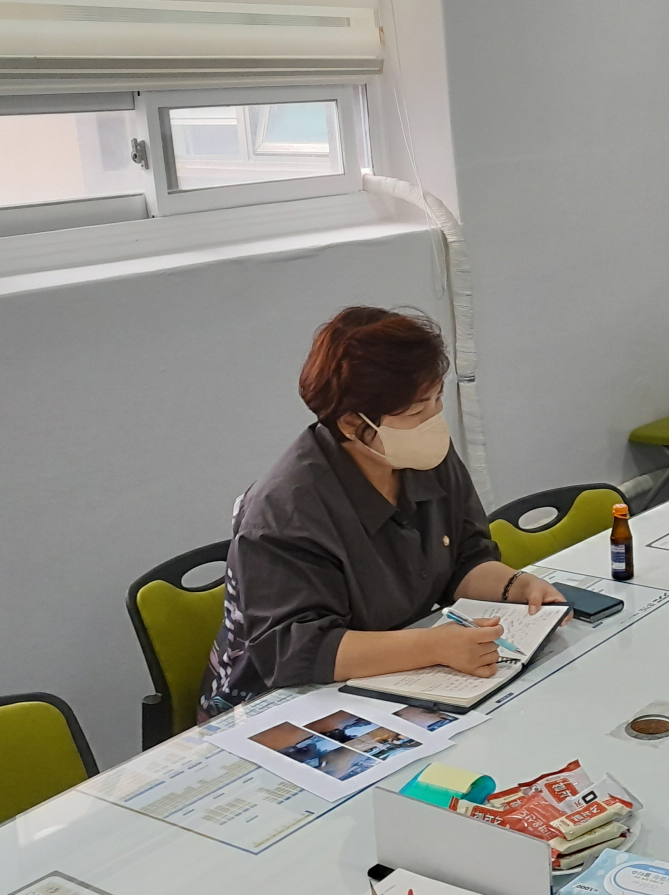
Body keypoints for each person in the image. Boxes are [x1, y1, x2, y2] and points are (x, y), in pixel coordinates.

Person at [200, 307, 565, 716]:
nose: (433, 420)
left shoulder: (421, 455)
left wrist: (517, 587)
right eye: (414, 412)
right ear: (353, 423)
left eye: (436, 400)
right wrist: (434, 645)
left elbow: (463, 559)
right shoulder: (286, 510)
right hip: (273, 705)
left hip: (390, 672)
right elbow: (294, 650)